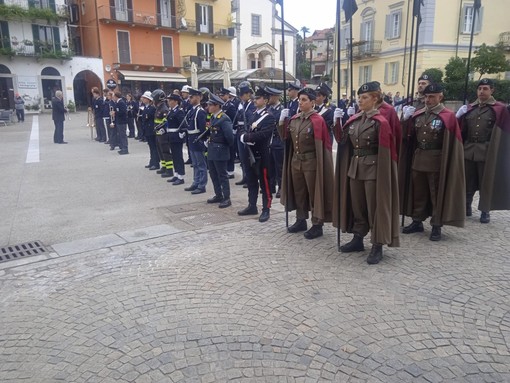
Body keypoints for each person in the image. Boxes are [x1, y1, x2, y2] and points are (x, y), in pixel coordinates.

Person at [332, 82, 400, 264]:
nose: (360, 101)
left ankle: (377, 244)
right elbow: (343, 140)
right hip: (355, 168)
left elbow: (387, 152)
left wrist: (385, 175)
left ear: (375, 99)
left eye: (364, 97)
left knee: (374, 208)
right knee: (358, 206)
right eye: (359, 97)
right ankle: (358, 238)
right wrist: (337, 123)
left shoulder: (381, 122)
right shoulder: (355, 119)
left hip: (373, 169)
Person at [400, 84, 465, 241]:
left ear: (440, 97)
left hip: (436, 160)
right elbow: (407, 137)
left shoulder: (447, 116)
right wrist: (404, 120)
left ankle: (436, 224)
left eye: (432, 97)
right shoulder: (419, 114)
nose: (428, 100)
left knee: (436, 193)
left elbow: (452, 143)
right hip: (419, 158)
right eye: (426, 97)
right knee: (419, 193)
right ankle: (417, 220)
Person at [278, 87, 334, 240]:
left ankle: (317, 224)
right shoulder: (295, 119)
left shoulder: (317, 120)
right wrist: (282, 122)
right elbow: (285, 137)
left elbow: (323, 145)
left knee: (313, 193)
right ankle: (301, 219)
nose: (300, 103)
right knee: (299, 192)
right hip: (296, 161)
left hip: (311, 162)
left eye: (304, 100)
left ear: (312, 102)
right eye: (299, 100)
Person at [456, 78, 510, 223]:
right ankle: (466, 206)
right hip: (469, 150)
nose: (481, 91)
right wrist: (458, 116)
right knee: (467, 180)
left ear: (492, 90)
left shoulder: (499, 109)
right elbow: (462, 130)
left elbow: (503, 132)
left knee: (486, 181)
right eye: (479, 89)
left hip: (487, 151)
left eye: (485, 88)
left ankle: (485, 210)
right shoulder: (470, 108)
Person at [238, 87, 276, 222]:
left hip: (262, 155)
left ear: (265, 100)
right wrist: (243, 134)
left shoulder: (269, 117)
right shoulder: (253, 114)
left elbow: (264, 134)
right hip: (250, 153)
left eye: (258, 98)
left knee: (264, 183)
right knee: (251, 180)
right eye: (255, 98)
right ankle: (252, 205)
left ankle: (266, 209)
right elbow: (245, 127)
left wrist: (247, 137)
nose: (255, 100)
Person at [203, 93, 235, 208]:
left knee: (222, 175)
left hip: (220, 151)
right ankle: (218, 194)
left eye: (210, 105)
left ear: (217, 106)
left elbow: (230, 138)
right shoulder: (213, 117)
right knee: (213, 174)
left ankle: (227, 197)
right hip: (212, 150)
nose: (208, 107)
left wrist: (222, 146)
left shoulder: (224, 119)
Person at [184, 87, 208, 194]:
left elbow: (203, 129)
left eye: (192, 97)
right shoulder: (192, 110)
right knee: (195, 163)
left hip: (197, 140)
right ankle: (196, 182)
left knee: (201, 164)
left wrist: (202, 140)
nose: (190, 99)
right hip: (191, 139)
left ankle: (202, 185)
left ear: (198, 97)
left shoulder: (200, 112)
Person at [235, 83, 256, 187]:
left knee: (247, 157)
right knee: (242, 157)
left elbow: (250, 118)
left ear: (248, 94)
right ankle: (245, 177)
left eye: (243, 94)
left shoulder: (252, 105)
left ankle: (250, 178)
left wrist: (242, 110)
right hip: (240, 132)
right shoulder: (242, 104)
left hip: (247, 132)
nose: (241, 96)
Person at [266, 86, 284, 198]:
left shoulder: (281, 110)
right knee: (270, 165)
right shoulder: (269, 109)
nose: (268, 98)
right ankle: (271, 186)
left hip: (278, 141)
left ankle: (281, 188)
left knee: (279, 167)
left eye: (270, 96)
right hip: (270, 141)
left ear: (275, 96)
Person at [152, 89, 173, 178]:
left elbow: (166, 122)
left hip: (163, 134)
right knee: (160, 151)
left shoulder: (164, 109)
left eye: (154, 98)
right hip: (158, 133)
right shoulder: (158, 107)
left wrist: (162, 130)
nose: (152, 100)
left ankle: (169, 170)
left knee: (165, 152)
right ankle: (164, 166)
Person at [218, 86, 239, 179]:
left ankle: (230, 171)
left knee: (231, 151)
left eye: (223, 95)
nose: (221, 97)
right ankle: (227, 169)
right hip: (223, 131)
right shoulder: (223, 105)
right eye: (220, 95)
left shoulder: (230, 106)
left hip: (230, 130)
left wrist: (233, 129)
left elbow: (234, 119)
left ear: (228, 95)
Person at [166, 93, 186, 185]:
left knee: (178, 156)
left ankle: (181, 176)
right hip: (171, 135)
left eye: (170, 100)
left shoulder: (179, 111)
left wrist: (181, 133)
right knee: (174, 156)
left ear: (176, 101)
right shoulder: (171, 111)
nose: (168, 102)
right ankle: (176, 174)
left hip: (177, 136)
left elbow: (182, 124)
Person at [141, 91, 159, 170]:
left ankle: (155, 163)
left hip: (151, 130)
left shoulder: (152, 108)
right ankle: (152, 161)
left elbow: (148, 118)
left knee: (154, 147)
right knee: (151, 147)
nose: (143, 99)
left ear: (149, 99)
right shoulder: (146, 107)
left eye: (145, 98)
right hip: (147, 130)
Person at [112, 91, 128, 155]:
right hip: (119, 121)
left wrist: (115, 113)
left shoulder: (121, 103)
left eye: (113, 97)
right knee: (121, 136)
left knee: (123, 135)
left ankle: (125, 148)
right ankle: (122, 148)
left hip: (122, 122)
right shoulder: (118, 103)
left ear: (116, 96)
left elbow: (123, 112)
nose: (113, 98)